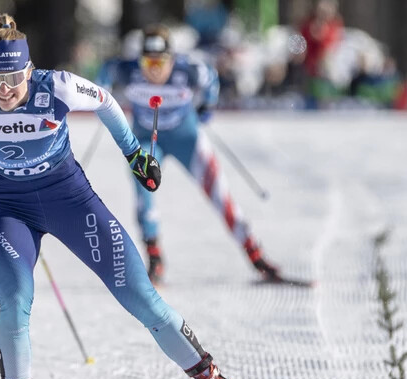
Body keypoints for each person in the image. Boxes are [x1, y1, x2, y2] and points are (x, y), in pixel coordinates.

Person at [0, 13, 269, 379]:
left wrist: (135, 154)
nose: (5, 90)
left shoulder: (56, 85)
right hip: (9, 210)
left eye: (14, 78)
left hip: (70, 202)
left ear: (28, 69)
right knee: (13, 301)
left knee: (141, 296)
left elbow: (106, 102)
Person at [97, 24, 283, 285]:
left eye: (160, 61)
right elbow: (103, 75)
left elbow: (211, 79)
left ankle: (256, 256)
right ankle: (155, 260)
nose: (154, 69)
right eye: (147, 61)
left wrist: (207, 105)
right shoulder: (126, 69)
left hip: (187, 137)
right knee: (144, 192)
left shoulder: (189, 69)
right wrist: (102, 93)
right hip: (147, 138)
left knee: (220, 194)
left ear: (171, 59)